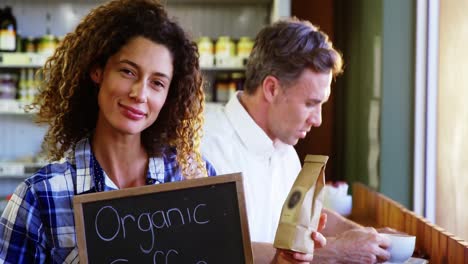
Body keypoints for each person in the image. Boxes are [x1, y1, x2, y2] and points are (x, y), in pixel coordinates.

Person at [0, 0, 216, 262]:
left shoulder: (195, 178)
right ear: (97, 71)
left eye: (157, 83)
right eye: (127, 71)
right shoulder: (38, 198)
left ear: (170, 96)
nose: (139, 94)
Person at [201, 18, 392, 263]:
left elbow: (302, 216)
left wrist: (370, 237)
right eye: (311, 103)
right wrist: (334, 251)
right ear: (271, 89)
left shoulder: (284, 148)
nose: (319, 120)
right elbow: (215, 251)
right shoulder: (207, 149)